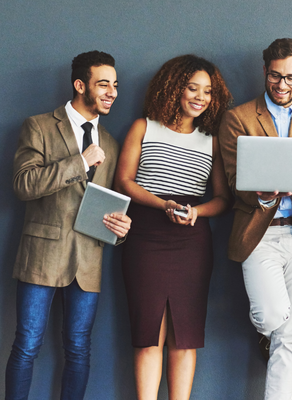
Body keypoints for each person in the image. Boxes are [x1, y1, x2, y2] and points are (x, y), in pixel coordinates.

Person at [5, 50, 131, 400]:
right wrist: (79, 161)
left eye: (115, 85)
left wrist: (119, 231)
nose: (112, 92)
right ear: (80, 85)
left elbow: (109, 204)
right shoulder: (40, 126)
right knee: (27, 345)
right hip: (41, 254)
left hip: (88, 260)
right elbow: (23, 184)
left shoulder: (112, 143)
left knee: (79, 349)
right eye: (103, 84)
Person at [113, 54, 233, 400]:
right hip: (145, 235)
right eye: (192, 88)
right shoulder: (143, 127)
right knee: (148, 333)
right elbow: (124, 181)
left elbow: (223, 200)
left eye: (208, 91)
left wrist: (196, 212)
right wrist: (162, 203)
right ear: (173, 89)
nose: (200, 97)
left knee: (186, 336)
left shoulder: (211, 140)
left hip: (191, 240)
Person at [218, 38, 292, 399]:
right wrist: (263, 194)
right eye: (275, 76)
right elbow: (235, 180)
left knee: (290, 339)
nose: (282, 86)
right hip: (259, 232)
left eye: (291, 78)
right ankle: (266, 330)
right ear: (265, 72)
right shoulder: (238, 117)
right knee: (271, 318)